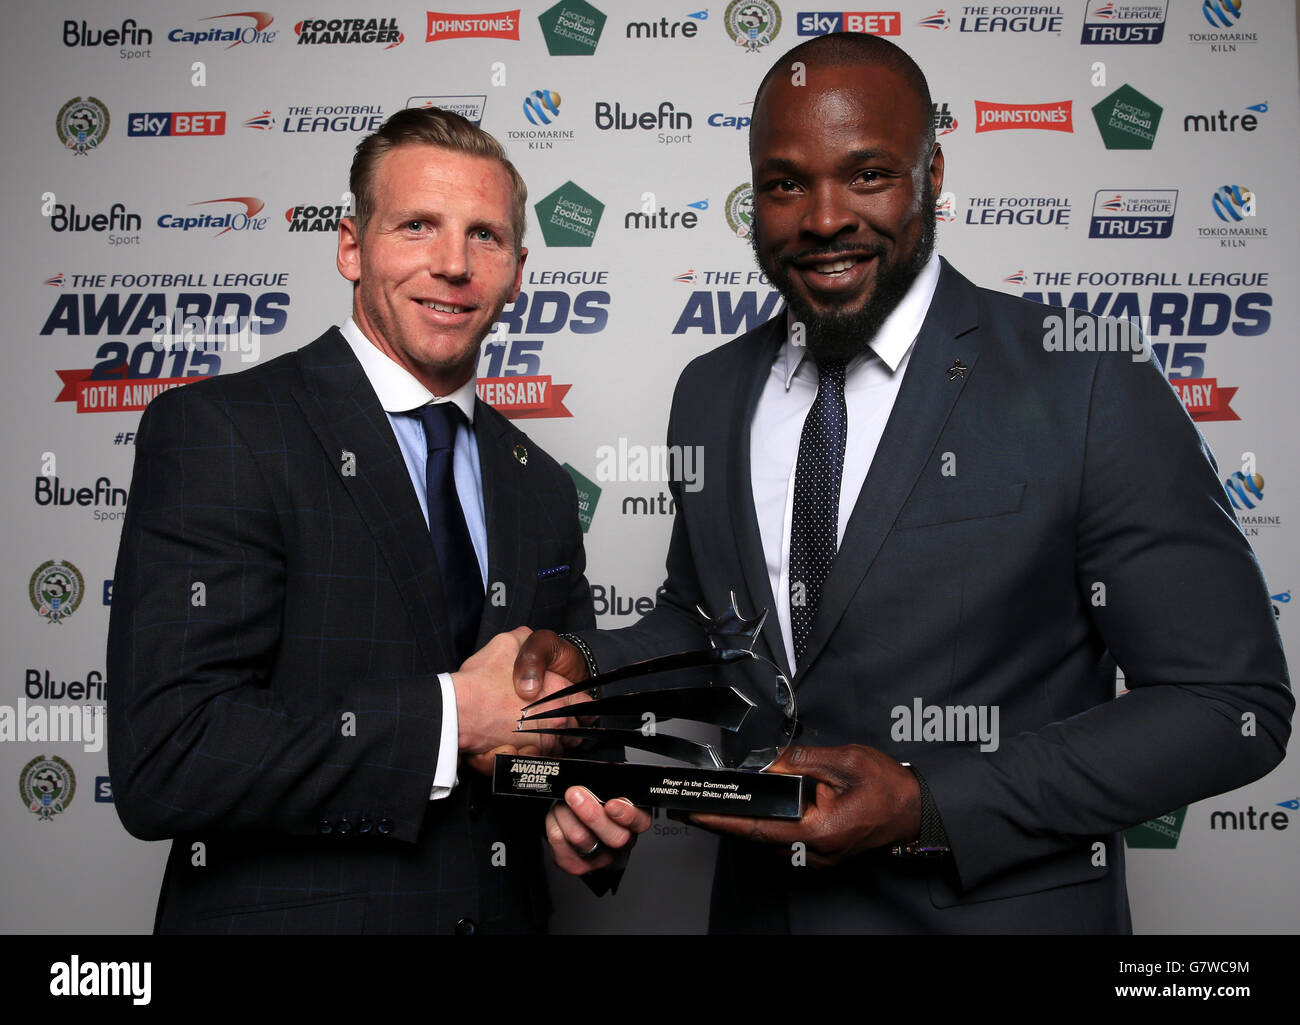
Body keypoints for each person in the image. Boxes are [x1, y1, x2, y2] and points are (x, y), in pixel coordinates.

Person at [515, 33, 1292, 932]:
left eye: (869, 173)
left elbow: (1229, 705)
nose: (824, 218)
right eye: (785, 184)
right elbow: (711, 627)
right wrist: (594, 671)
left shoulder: (1083, 379)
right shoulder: (710, 390)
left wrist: (930, 804)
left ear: (932, 173)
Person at [107, 107, 648, 935]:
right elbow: (170, 754)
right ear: (351, 246)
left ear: (518, 270)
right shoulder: (226, 432)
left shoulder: (537, 482)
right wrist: (453, 718)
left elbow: (569, 733)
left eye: (485, 237)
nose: (453, 264)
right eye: (418, 226)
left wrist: (587, 815)